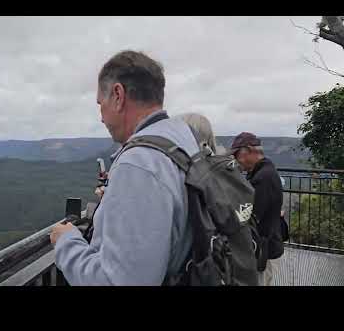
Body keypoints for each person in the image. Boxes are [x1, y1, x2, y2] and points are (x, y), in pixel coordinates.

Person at [49, 50, 200, 286]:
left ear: (118, 95)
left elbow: (119, 281)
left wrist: (67, 242)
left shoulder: (138, 163)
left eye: (101, 104)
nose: (101, 118)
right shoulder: (182, 139)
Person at [228, 132, 284, 286]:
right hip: (269, 245)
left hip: (264, 251)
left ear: (248, 150)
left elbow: (251, 216)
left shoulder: (262, 178)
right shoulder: (265, 171)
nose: (236, 160)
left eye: (237, 154)